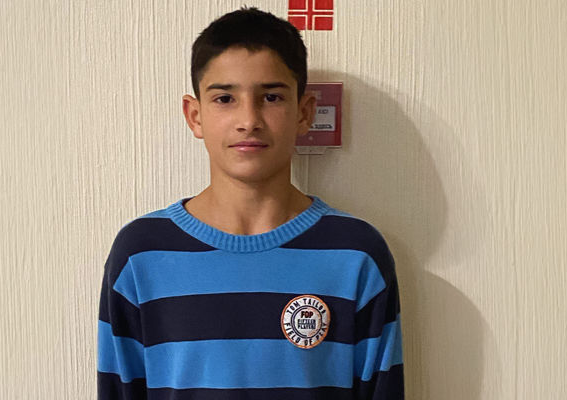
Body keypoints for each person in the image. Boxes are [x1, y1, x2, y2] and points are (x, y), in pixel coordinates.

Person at [97, 7, 404, 400]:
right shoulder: (141, 255)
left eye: (271, 97)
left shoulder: (356, 255)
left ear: (304, 113)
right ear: (195, 116)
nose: (249, 119)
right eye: (225, 98)